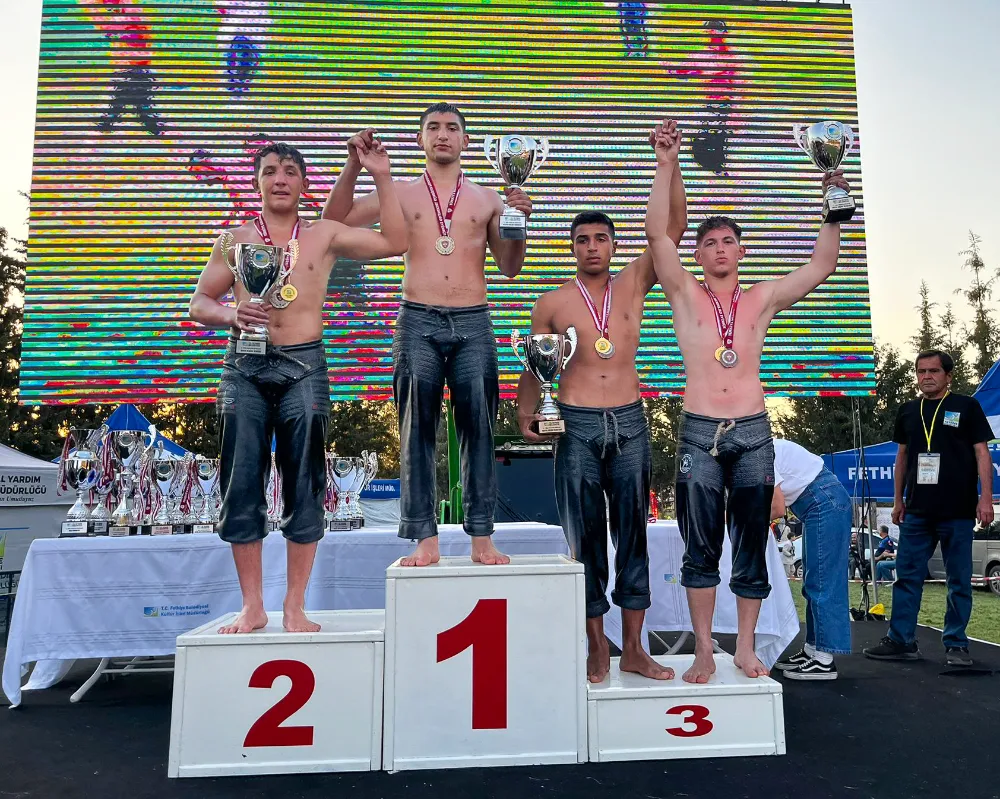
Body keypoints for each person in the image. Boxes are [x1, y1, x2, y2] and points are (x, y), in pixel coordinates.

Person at [645, 128, 848, 682]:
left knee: (752, 545)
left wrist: (832, 208)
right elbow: (657, 236)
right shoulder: (684, 292)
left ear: (741, 250)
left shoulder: (762, 297)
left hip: (754, 432)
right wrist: (665, 163)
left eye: (727, 241)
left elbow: (821, 267)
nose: (718, 248)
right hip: (699, 430)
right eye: (709, 242)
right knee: (700, 548)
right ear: (697, 253)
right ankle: (704, 649)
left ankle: (746, 647)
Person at [189, 141, 408, 633]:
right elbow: (199, 302)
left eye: (290, 171)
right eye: (270, 171)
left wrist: (380, 174)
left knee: (305, 485)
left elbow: (396, 241)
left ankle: (294, 605)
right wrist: (231, 313)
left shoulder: (324, 234)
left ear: (304, 184)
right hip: (244, 367)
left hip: (304, 367)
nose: (281, 179)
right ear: (257, 182)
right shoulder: (234, 239)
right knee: (240, 483)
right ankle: (252, 606)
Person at [324, 102, 533, 567]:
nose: (443, 135)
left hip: (473, 319)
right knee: (416, 428)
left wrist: (519, 223)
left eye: (452, 128)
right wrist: (353, 165)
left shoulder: (489, 199)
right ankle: (424, 537)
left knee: (479, 427)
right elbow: (333, 221)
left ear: (465, 141)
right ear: (420, 139)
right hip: (417, 318)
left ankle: (482, 535)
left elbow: (510, 267)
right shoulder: (398, 192)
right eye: (433, 127)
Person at [516, 120, 687, 683]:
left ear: (613, 245)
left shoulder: (635, 281)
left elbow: (673, 229)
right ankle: (596, 646)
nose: (592, 247)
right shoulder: (552, 302)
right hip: (576, 424)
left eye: (601, 239)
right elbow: (535, 365)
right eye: (583, 240)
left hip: (630, 421)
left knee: (633, 533)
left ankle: (634, 648)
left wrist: (668, 162)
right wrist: (524, 410)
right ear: (572, 248)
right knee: (585, 536)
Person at [864, 350, 995, 667]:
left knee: (959, 581)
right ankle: (901, 640)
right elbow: (902, 457)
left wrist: (986, 498)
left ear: (948, 376)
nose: (926, 377)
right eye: (921, 371)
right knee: (907, 577)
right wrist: (898, 500)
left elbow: (982, 453)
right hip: (917, 511)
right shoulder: (909, 410)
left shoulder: (966, 406)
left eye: (933, 371)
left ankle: (956, 645)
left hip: (958, 510)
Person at [770, 438, 852, 680]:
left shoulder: (758, 453)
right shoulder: (758, 447)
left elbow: (776, 508)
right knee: (815, 580)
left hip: (824, 502)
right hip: (821, 501)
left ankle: (824, 660)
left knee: (824, 582)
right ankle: (813, 649)